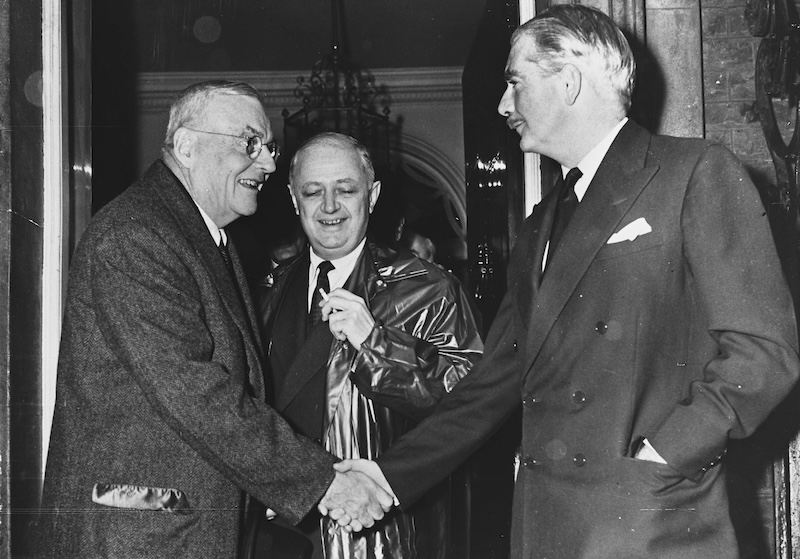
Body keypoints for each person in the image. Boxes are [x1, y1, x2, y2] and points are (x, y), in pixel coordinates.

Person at [335, 6, 800, 558]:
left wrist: (666, 454)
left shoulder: (693, 173)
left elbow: (763, 350)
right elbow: (493, 382)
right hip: (547, 527)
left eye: (514, 82)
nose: (503, 105)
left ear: (571, 80)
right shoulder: (539, 226)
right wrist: (387, 478)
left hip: (650, 525)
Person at [36, 81, 391, 559]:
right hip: (138, 539)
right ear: (186, 145)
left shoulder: (201, 238)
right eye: (250, 143)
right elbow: (194, 392)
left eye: (269, 147)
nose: (267, 163)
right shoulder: (136, 234)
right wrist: (323, 481)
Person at [254, 132, 483, 559]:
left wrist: (376, 343)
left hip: (369, 536)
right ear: (292, 198)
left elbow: (470, 408)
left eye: (345, 190)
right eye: (312, 191)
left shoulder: (429, 290)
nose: (329, 207)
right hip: (274, 535)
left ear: (373, 196)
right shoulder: (264, 289)